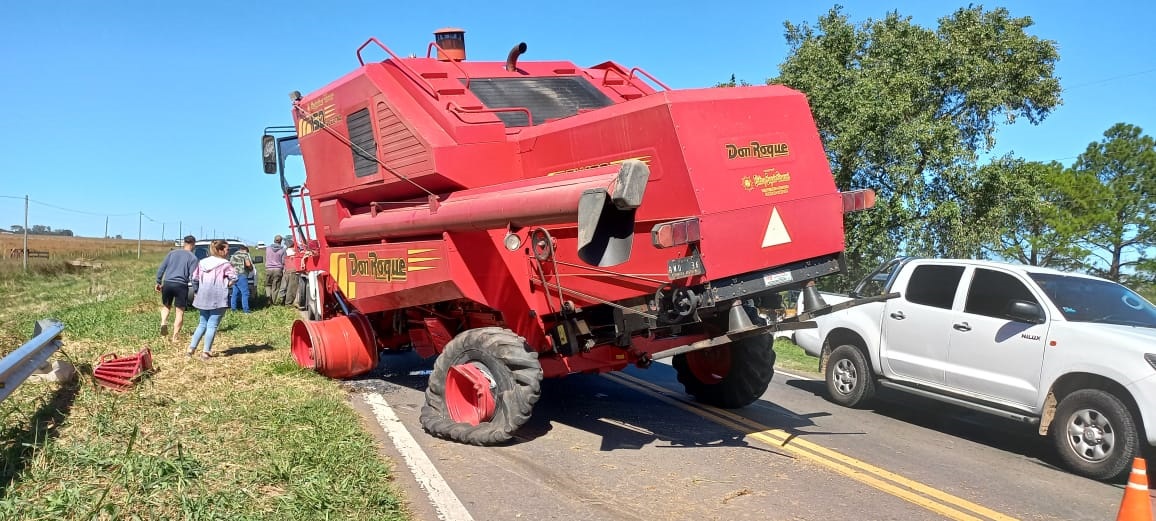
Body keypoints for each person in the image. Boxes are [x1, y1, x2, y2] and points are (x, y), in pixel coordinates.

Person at [187, 240, 238, 359]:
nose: (228, 251)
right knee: (212, 325)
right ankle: (206, 351)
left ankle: (191, 349)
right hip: (218, 296)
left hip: (203, 296)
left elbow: (194, 278)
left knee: (202, 323)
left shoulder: (202, 262)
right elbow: (234, 277)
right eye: (226, 249)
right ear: (220, 250)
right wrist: (227, 284)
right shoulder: (225, 264)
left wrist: (197, 290)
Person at [155, 235, 198, 342]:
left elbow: (162, 268)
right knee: (179, 312)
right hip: (181, 285)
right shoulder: (193, 258)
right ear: (193, 244)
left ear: (184, 243)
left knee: (166, 306)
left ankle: (163, 322)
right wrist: (196, 290)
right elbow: (193, 276)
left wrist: (158, 281)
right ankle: (175, 337)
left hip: (168, 283)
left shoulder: (172, 253)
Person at [229, 244, 254, 313]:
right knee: (245, 293)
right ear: (245, 250)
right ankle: (246, 310)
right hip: (242, 275)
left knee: (235, 293)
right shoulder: (244, 254)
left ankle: (233, 309)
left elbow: (230, 265)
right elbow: (248, 264)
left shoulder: (233, 256)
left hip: (234, 275)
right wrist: (251, 269)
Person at [264, 235, 285, 300]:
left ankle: (268, 296)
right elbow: (283, 261)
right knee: (275, 286)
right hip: (278, 269)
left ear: (274, 240)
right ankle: (273, 300)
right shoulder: (283, 250)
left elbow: (266, 258)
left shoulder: (268, 248)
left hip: (268, 269)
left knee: (268, 284)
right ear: (281, 241)